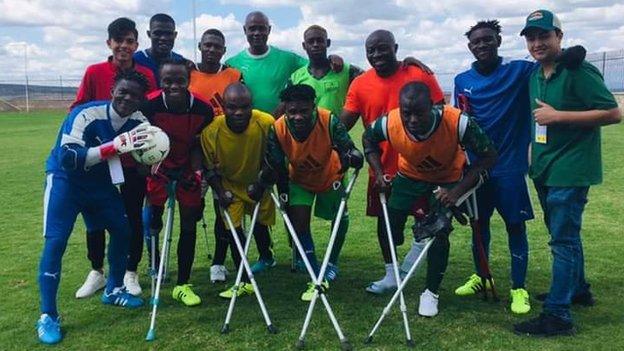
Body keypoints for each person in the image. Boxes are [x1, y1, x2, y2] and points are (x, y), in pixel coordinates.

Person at [453, 20, 586, 314]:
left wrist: (575, 51)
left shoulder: (519, 71)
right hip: (477, 169)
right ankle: (481, 275)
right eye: (476, 42)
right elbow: (460, 121)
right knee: (479, 226)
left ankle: (518, 288)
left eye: (488, 39)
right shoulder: (462, 80)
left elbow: (548, 61)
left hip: (510, 168)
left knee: (515, 227)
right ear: (469, 47)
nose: (483, 45)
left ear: (499, 40)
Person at [514, 9, 621, 336]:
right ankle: (577, 290)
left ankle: (558, 315)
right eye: (531, 38)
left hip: (571, 170)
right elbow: (537, 120)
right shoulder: (535, 75)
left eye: (544, 36)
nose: (537, 43)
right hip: (544, 169)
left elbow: (613, 113)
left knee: (562, 240)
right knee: (566, 237)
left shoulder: (579, 71)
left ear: (559, 37)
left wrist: (559, 117)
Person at [36, 71, 155, 344]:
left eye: (134, 95)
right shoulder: (85, 114)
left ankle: (112, 289)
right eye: (123, 91)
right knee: (55, 243)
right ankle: (47, 314)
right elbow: (68, 159)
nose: (127, 98)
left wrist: (150, 160)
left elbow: (146, 155)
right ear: (112, 89)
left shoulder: (140, 122)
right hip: (67, 182)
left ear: (141, 100)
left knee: (123, 230)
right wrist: (113, 147)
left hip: (100, 184)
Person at [363, 81, 497, 316]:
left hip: (447, 179)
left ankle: (430, 293)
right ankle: (392, 273)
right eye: (407, 113)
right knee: (387, 225)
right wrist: (378, 171)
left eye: (419, 113)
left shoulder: (458, 122)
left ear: (433, 107)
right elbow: (368, 139)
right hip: (409, 176)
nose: (413, 120)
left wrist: (456, 192)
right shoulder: (390, 122)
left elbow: (488, 156)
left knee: (439, 230)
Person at [340, 29, 445, 294]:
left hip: (421, 167)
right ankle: (391, 274)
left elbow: (442, 115)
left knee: (427, 220)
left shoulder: (418, 74)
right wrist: (340, 144)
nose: (376, 55)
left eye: (382, 48)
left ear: (395, 47)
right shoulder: (360, 83)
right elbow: (344, 124)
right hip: (382, 168)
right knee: (386, 225)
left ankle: (419, 261)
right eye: (370, 50)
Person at [72, 17, 157, 299]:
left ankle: (130, 272)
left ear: (136, 43)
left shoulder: (146, 74)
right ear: (109, 43)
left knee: (131, 218)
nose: (124, 46)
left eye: (129, 41)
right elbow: (77, 113)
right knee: (95, 218)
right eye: (118, 40)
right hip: (98, 162)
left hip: (131, 163)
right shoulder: (95, 72)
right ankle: (97, 271)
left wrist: (146, 155)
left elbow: (149, 117)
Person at [258, 84, 363, 301]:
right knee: (300, 223)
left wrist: (353, 155)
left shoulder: (329, 120)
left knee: (339, 218)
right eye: (292, 112)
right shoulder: (277, 128)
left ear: (313, 107)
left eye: (303, 111)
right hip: (299, 180)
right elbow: (275, 163)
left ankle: (331, 263)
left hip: (329, 175)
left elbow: (347, 146)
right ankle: (316, 275)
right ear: (285, 110)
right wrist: (266, 180)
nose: (297, 117)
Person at [141, 60, 214, 306]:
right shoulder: (148, 105)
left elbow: (197, 142)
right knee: (155, 218)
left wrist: (195, 170)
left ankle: (183, 284)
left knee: (188, 224)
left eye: (180, 80)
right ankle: (155, 264)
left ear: (188, 81)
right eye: (167, 81)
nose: (174, 85)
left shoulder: (203, 110)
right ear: (160, 82)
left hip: (187, 167)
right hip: (158, 166)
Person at [200, 83, 276, 298]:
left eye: (245, 107)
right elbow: (209, 168)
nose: (239, 112)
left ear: (252, 105)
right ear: (223, 107)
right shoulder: (211, 131)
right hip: (230, 186)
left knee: (260, 225)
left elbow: (274, 157)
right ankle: (243, 279)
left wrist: (261, 184)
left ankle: (266, 256)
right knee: (233, 231)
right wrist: (220, 191)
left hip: (257, 183)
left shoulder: (265, 122)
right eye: (232, 107)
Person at [188, 28, 244, 283]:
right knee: (193, 210)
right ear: (200, 45)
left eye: (217, 46)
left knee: (223, 205)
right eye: (207, 45)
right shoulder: (188, 73)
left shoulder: (233, 75)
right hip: (196, 153)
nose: (211, 50)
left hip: (225, 152)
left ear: (224, 50)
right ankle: (172, 267)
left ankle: (219, 263)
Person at [225, 11, 343, 116]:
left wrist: (332, 58)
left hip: (280, 129)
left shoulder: (288, 59)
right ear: (245, 30)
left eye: (261, 28)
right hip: (247, 128)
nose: (257, 33)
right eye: (252, 28)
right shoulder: (232, 63)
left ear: (269, 30)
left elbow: (316, 64)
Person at [133, 13, 190, 85]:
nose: (163, 38)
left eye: (168, 34)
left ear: (175, 35)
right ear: (149, 34)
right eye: (157, 33)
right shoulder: (135, 60)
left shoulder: (181, 62)